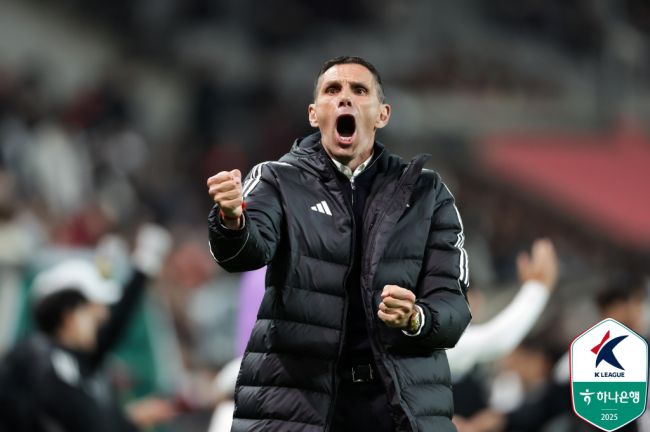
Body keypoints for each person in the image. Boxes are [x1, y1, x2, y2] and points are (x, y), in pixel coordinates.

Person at [206, 56, 471, 432]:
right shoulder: (276, 180)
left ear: (382, 114)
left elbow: (453, 307)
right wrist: (232, 220)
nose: (345, 98)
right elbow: (243, 254)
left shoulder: (427, 194)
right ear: (314, 114)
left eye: (359, 90)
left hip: (395, 408)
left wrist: (416, 317)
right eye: (333, 90)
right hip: (299, 404)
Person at [0, 224, 177, 432]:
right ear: (69, 316)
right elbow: (89, 423)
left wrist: (142, 269)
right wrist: (129, 419)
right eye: (93, 310)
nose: (103, 316)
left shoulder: (62, 358)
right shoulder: (43, 360)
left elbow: (113, 327)